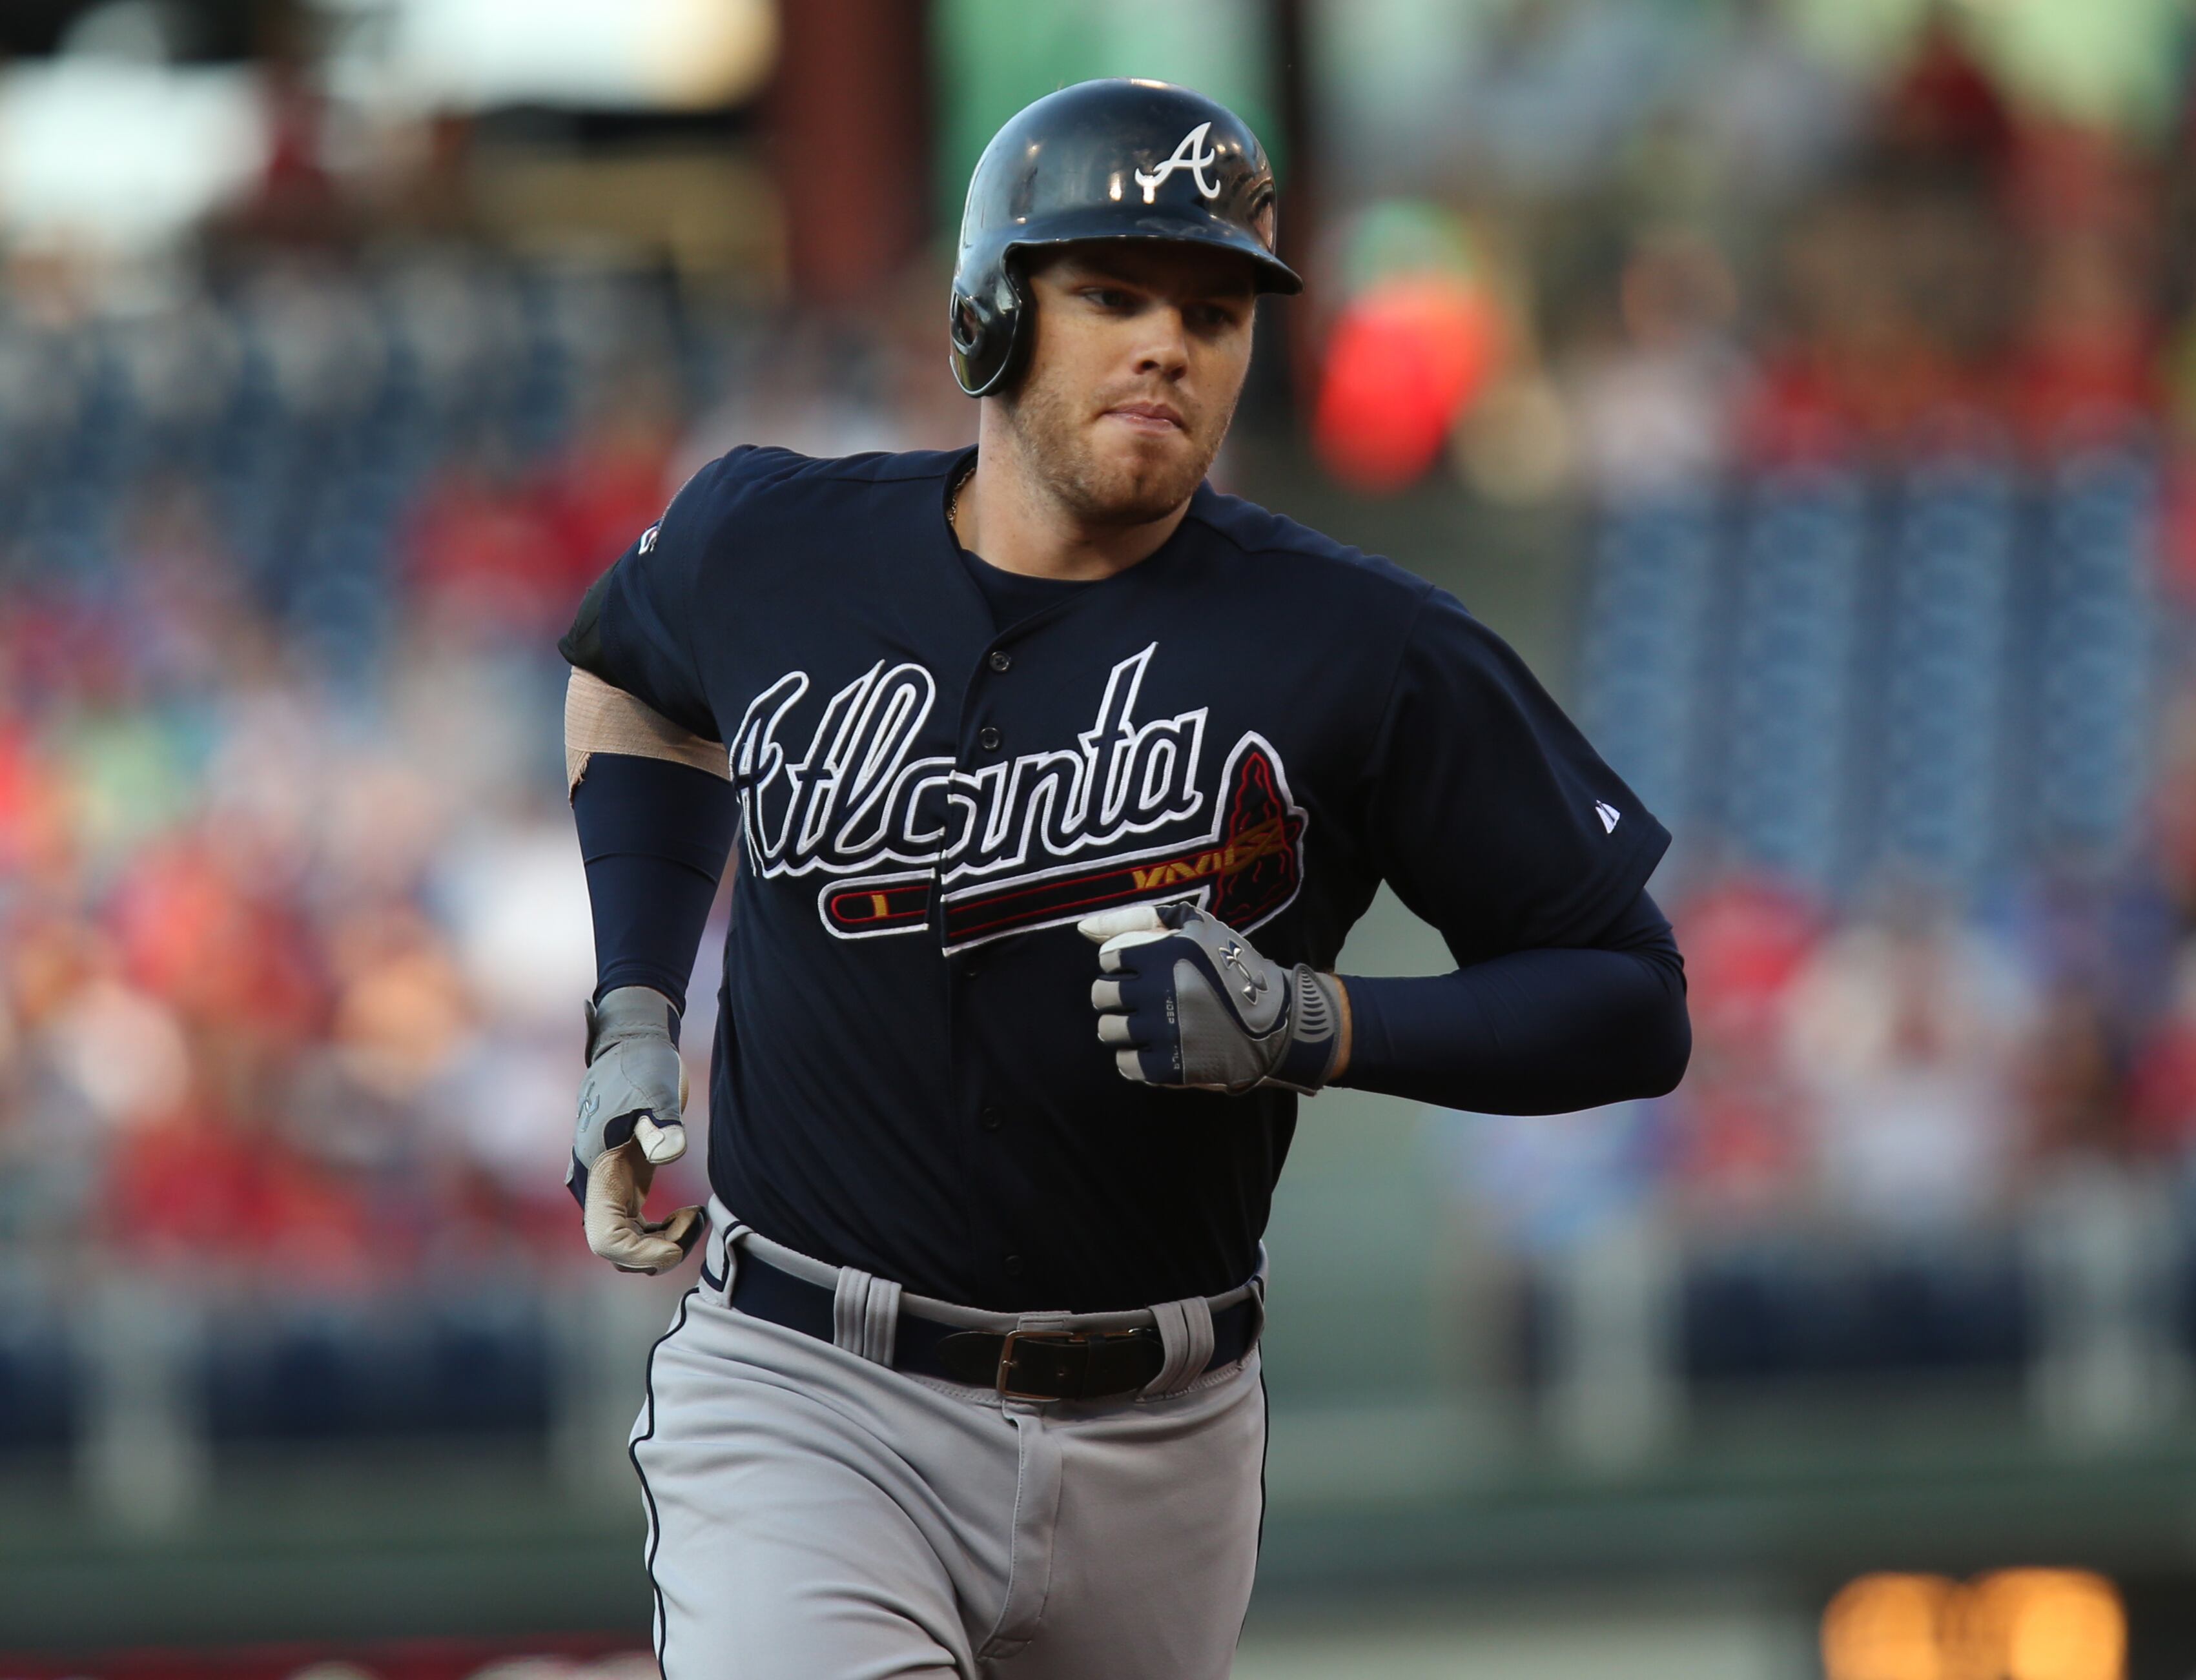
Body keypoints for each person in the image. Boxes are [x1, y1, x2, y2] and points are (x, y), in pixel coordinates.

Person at [558, 79, 1690, 1680]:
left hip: (1167, 1431)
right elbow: (627, 675)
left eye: (1215, 311)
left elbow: (1635, 1002)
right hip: (815, 1388)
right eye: (1111, 294)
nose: (1170, 341)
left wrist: (1318, 1022)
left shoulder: (1361, 644)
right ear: (988, 314)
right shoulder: (774, 543)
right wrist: (632, 1009)